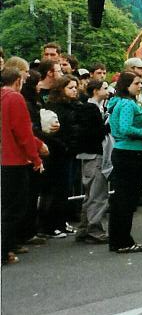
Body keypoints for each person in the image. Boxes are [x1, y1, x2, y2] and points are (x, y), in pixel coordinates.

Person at [2, 61, 48, 264]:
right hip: (14, 160)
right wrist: (36, 157)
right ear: (18, 81)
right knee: (14, 208)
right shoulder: (15, 98)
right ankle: (5, 250)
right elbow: (23, 133)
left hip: (4, 158)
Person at [106, 72, 142, 253]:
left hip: (123, 152)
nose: (140, 86)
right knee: (126, 200)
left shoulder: (118, 102)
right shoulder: (127, 104)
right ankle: (123, 241)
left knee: (120, 199)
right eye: (137, 83)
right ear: (127, 85)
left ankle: (118, 239)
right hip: (130, 153)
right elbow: (126, 129)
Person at [40, 75, 81, 239]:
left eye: (75, 87)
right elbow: (50, 132)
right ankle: (50, 225)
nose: (74, 90)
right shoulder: (55, 107)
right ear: (61, 89)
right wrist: (63, 145)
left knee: (65, 189)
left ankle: (61, 222)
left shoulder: (73, 106)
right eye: (70, 87)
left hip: (69, 152)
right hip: (57, 153)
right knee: (55, 190)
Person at [75, 79, 111, 244]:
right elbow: (94, 132)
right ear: (96, 91)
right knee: (97, 194)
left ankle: (84, 227)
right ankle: (94, 229)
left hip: (88, 154)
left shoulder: (92, 108)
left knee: (90, 194)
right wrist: (107, 126)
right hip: (94, 154)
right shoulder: (91, 109)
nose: (108, 90)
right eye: (104, 87)